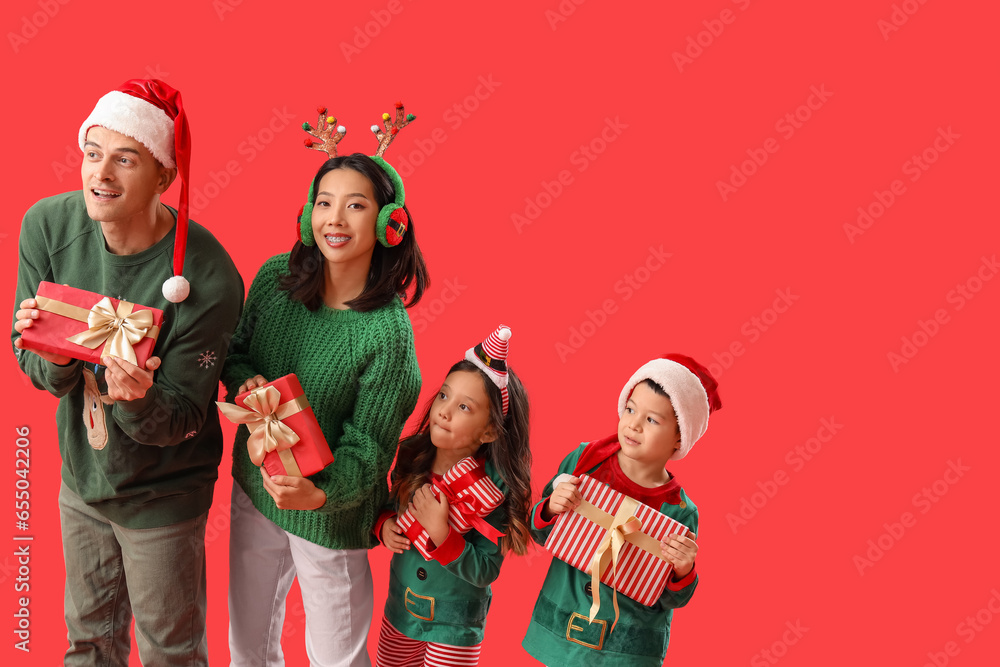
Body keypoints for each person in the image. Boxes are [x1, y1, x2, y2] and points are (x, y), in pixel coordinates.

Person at [10, 79, 244, 665]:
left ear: (163, 176)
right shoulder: (47, 227)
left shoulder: (208, 278)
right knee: (87, 645)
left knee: (170, 652)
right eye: (93, 153)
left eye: (125, 158)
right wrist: (56, 357)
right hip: (83, 480)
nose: (101, 174)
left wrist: (139, 402)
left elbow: (186, 417)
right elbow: (28, 357)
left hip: (164, 492)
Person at [222, 104, 428, 667]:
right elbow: (235, 356)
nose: (335, 219)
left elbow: (369, 446)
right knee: (247, 647)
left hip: (331, 512)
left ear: (391, 223)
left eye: (355, 205)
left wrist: (321, 493)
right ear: (306, 213)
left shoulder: (387, 334)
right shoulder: (273, 280)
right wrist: (250, 386)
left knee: (338, 657)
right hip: (256, 491)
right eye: (324, 202)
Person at [522, 354, 722, 666]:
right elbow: (538, 532)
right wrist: (549, 508)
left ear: (679, 436)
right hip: (560, 636)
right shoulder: (584, 461)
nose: (633, 424)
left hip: (625, 652)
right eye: (630, 409)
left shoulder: (680, 512)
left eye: (652, 420)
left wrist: (684, 570)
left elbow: (670, 598)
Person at [374, 325, 533, 667]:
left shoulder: (491, 491)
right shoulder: (412, 456)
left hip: (455, 624)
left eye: (465, 407)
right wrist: (384, 525)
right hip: (400, 609)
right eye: (444, 396)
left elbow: (487, 568)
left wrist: (442, 534)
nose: (444, 411)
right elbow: (389, 504)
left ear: (490, 430)